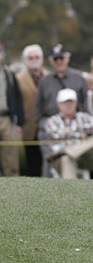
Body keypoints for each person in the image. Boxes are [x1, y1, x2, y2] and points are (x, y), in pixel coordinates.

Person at [40, 88, 93, 179]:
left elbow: (91, 128)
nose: (68, 106)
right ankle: (70, 192)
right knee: (66, 159)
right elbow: (55, 135)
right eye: (65, 103)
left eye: (71, 103)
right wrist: (79, 135)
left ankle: (66, 152)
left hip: (84, 157)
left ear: (76, 103)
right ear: (59, 105)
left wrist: (68, 133)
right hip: (59, 161)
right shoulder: (52, 120)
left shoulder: (84, 117)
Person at [15, 44, 48, 176]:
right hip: (29, 126)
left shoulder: (49, 76)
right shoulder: (18, 79)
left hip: (48, 126)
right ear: (25, 60)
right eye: (30, 57)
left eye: (37, 57)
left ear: (42, 58)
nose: (34, 60)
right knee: (32, 162)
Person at [35, 44, 89, 121]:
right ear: (51, 61)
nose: (59, 62)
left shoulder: (79, 79)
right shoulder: (44, 81)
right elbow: (38, 107)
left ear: (67, 59)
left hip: (76, 125)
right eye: (55, 59)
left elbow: (85, 106)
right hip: (51, 125)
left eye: (61, 58)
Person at [1, 46, 25, 177]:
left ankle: (11, 179)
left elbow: (18, 97)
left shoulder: (8, 74)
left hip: (5, 117)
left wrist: (19, 121)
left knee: (10, 152)